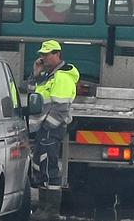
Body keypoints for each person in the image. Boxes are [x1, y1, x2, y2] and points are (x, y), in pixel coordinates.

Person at [25, 40, 79, 220]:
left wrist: (48, 127)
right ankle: (43, 209)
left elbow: (61, 108)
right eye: (42, 55)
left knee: (50, 168)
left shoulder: (62, 77)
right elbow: (33, 94)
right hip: (43, 129)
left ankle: (51, 211)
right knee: (41, 166)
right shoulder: (48, 76)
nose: (43, 58)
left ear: (58, 55)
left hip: (51, 130)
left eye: (47, 54)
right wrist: (35, 75)